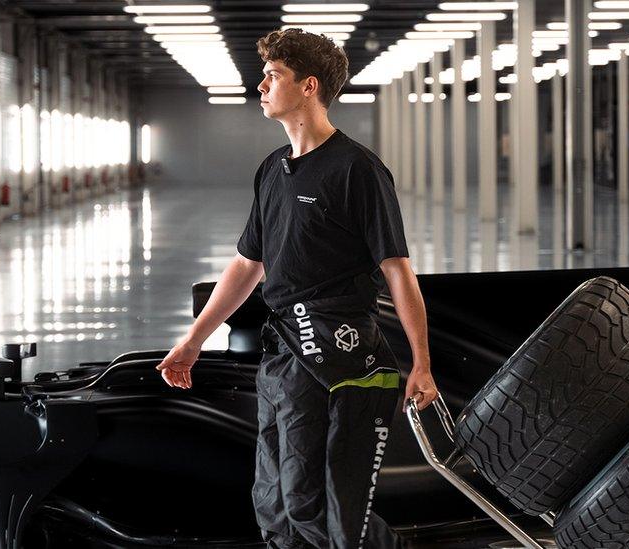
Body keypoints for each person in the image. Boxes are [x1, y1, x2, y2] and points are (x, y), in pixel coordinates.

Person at [155, 29, 438, 548]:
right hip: (283, 356)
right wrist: (194, 340)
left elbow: (397, 268)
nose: (261, 85)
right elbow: (247, 265)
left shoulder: (357, 169)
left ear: (309, 86)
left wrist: (420, 362)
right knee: (275, 505)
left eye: (273, 75)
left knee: (319, 507)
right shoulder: (272, 170)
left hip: (341, 360)